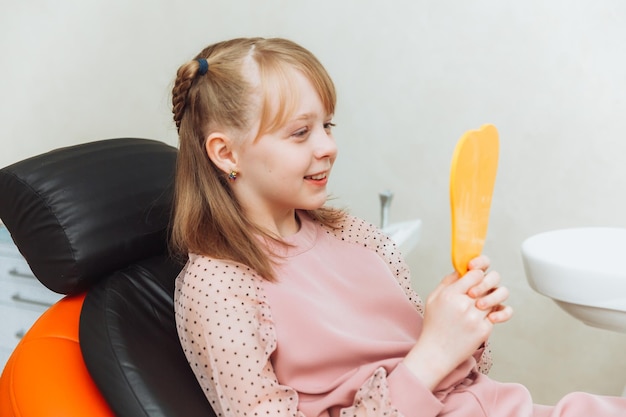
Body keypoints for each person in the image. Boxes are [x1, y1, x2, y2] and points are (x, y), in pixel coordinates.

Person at [170, 37, 626, 417]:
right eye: (300, 132)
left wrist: (466, 325)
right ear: (226, 153)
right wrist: (433, 355)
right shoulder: (218, 286)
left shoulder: (355, 235)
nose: (328, 146)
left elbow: (457, 375)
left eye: (327, 125)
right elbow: (425, 368)